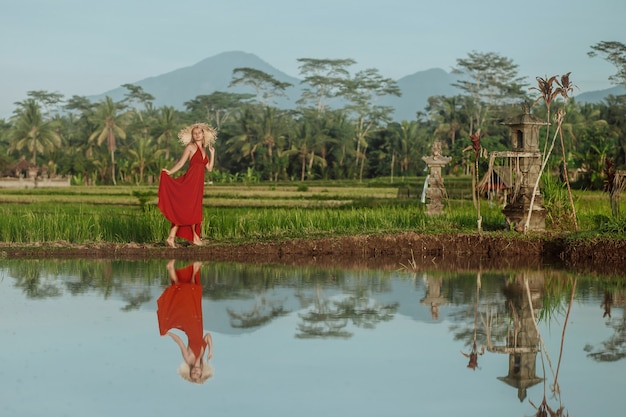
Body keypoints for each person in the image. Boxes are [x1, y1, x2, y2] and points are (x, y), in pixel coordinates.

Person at [158, 123, 216, 248]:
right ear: (192, 135)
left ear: (203, 134)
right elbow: (180, 164)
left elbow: (209, 168)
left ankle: (171, 237)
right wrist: (169, 172)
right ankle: (194, 238)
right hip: (190, 182)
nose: (197, 134)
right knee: (188, 210)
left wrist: (212, 154)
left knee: (192, 210)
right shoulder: (190, 147)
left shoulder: (205, 150)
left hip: (198, 185)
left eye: (199, 132)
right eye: (194, 133)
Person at [157, 260, 214, 384]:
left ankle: (175, 268)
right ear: (201, 372)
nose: (195, 372)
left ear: (191, 371)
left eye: (193, 374)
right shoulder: (203, 355)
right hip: (198, 324)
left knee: (184, 293)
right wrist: (211, 350)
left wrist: (168, 333)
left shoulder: (188, 359)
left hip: (190, 325)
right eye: (197, 374)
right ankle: (193, 268)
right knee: (194, 293)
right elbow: (208, 336)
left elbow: (180, 342)